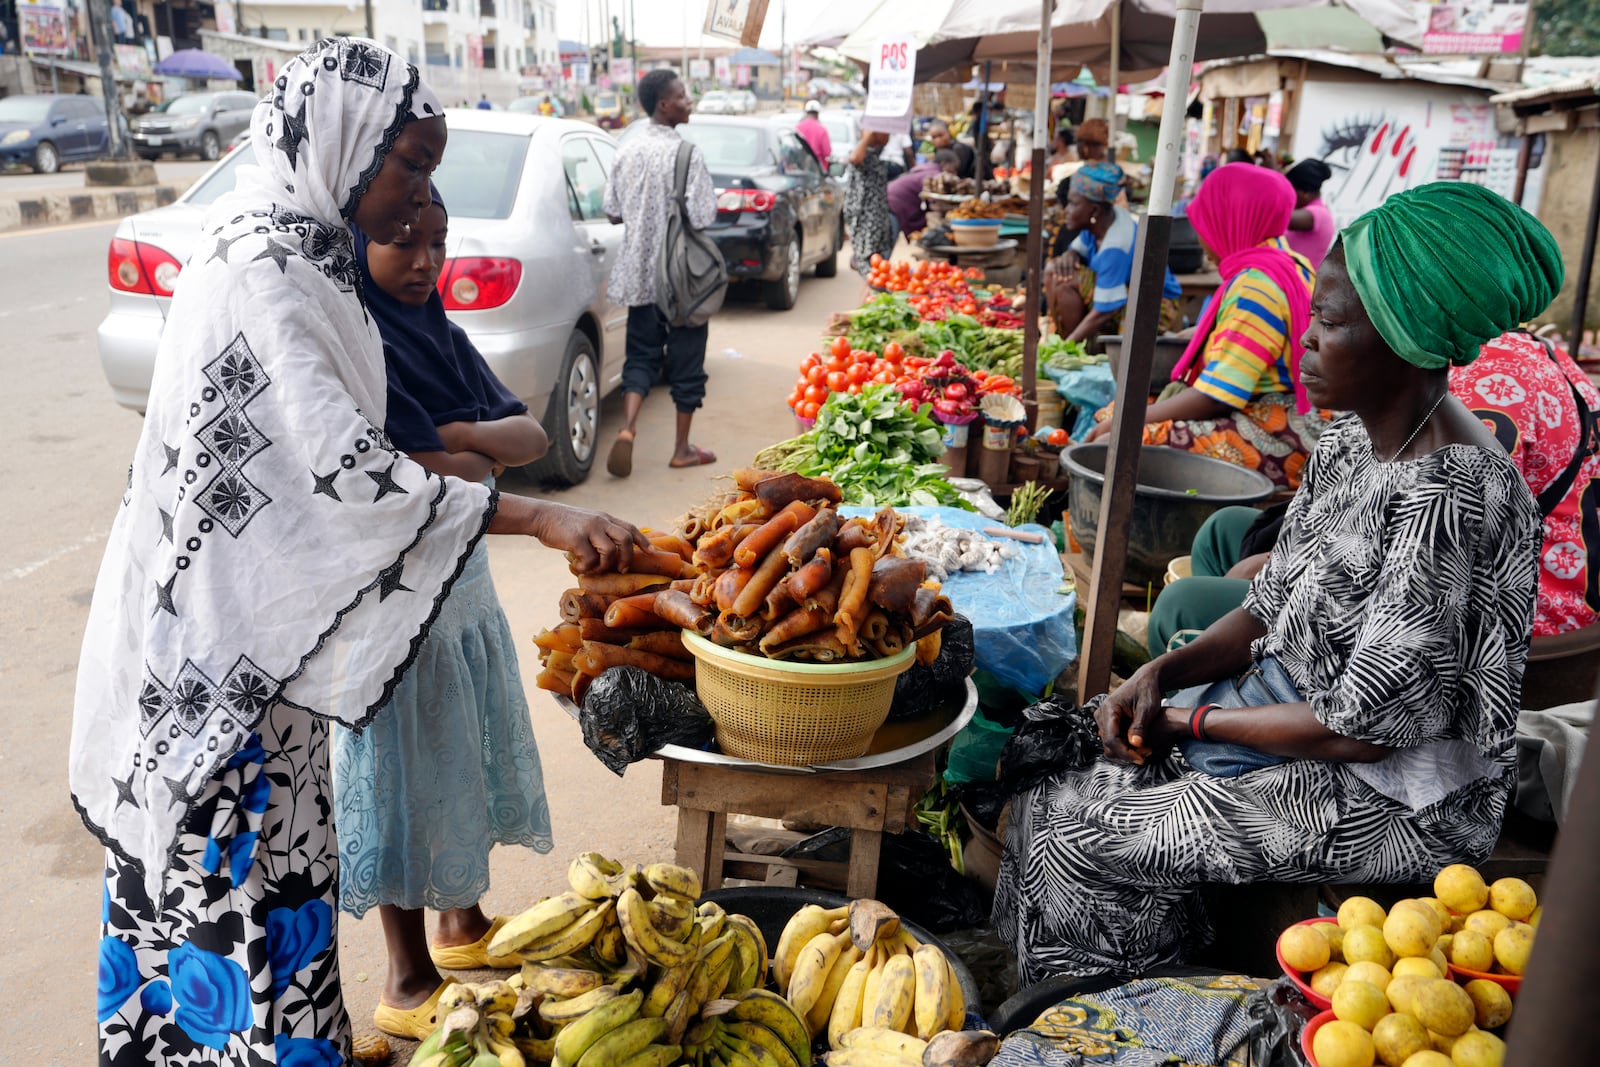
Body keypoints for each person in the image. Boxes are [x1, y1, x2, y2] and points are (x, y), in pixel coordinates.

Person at [72, 38, 644, 1063]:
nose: (421, 195)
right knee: (233, 892)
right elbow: (346, 467)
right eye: (410, 165)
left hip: (269, 645)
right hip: (216, 655)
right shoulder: (262, 263)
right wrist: (544, 518)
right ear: (342, 144)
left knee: (286, 879)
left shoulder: (306, 243)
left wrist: (487, 471)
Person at [995, 180, 1556, 984]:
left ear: (1407, 338)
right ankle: (1066, 999)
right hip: (1288, 712)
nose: (1308, 344)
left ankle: (1125, 1018)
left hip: (1397, 794)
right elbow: (1270, 604)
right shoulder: (1351, 441)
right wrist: (1161, 673)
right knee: (1056, 770)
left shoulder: (1453, 493)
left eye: (1330, 324)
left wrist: (1195, 723)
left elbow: (1361, 730)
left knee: (1087, 828)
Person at [335, 186, 556, 1040]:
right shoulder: (357, 339)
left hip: (459, 583)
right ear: (357, 241)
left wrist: (460, 432)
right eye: (400, 239)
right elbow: (423, 473)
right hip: (388, 593)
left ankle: (460, 926)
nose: (424, 260)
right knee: (401, 762)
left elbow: (529, 437)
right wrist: (466, 451)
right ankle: (404, 971)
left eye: (437, 240)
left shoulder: (443, 335)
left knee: (458, 738)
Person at [1087, 163, 1327, 490]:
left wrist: (1128, 421)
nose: (1201, 239)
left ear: (1230, 221)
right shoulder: (1290, 263)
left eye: (1207, 223)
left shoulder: (1256, 286)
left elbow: (1218, 396)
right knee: (1113, 415)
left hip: (1281, 435)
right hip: (1299, 421)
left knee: (1116, 440)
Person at [602, 67, 718, 476]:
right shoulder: (688, 153)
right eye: (684, 96)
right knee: (688, 362)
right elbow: (702, 215)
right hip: (682, 278)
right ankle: (682, 448)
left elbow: (612, 211)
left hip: (638, 277)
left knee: (640, 357)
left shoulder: (626, 149)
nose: (690, 102)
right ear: (665, 105)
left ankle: (629, 428)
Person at [1043, 162, 1183, 343]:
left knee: (1065, 282)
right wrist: (1070, 255)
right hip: (1121, 291)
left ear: (1094, 210)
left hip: (1152, 303)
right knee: (1055, 270)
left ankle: (1078, 347)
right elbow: (1079, 248)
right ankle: (1069, 341)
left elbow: (1105, 310)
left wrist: (1068, 344)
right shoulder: (1101, 222)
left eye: (1072, 204)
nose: (1066, 211)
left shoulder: (1116, 244)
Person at [845, 129, 895, 277]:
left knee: (876, 264)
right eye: (886, 131)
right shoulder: (862, 153)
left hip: (878, 216)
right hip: (867, 218)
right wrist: (867, 136)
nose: (889, 134)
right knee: (869, 266)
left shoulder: (875, 153)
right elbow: (854, 158)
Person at [887, 148, 960, 237]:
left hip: (888, 200)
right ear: (944, 163)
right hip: (894, 205)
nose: (955, 173)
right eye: (954, 168)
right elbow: (935, 202)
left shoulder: (924, 168)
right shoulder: (935, 174)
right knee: (887, 244)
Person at [1284, 158, 1336, 268]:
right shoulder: (1310, 212)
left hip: (1300, 283)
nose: (1286, 195)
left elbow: (1278, 216)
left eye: (1289, 190)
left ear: (1305, 192)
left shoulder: (1320, 214)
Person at [796, 100, 832, 169]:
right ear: (818, 113)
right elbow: (827, 152)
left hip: (800, 166)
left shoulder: (798, 127)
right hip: (817, 168)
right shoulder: (822, 129)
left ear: (806, 112)